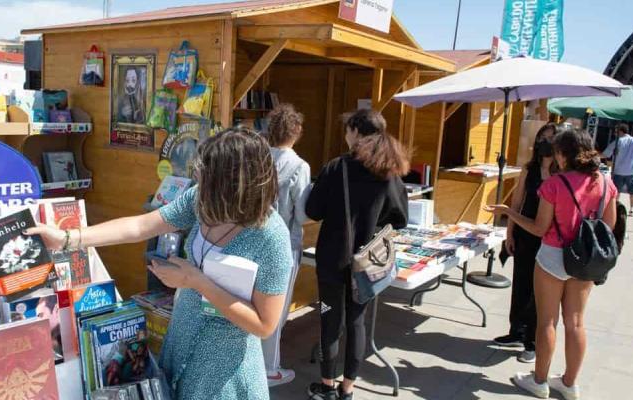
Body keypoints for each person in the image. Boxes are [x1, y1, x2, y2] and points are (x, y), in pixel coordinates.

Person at [27, 127, 293, 400]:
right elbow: (140, 226)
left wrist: (195, 282)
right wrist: (68, 238)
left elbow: (264, 324)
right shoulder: (201, 199)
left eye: (207, 179)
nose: (198, 183)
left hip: (223, 372)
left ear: (236, 185)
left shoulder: (271, 237)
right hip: (180, 342)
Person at [484, 128, 617, 400]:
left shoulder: (554, 184)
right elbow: (609, 226)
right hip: (586, 260)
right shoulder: (605, 183)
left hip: (553, 256)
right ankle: (569, 383)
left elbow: (539, 228)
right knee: (577, 323)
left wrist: (509, 213)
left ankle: (540, 380)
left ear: (561, 153)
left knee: (547, 322)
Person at [305, 109, 409, 400]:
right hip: (369, 263)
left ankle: (326, 386)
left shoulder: (337, 167)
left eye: (348, 129)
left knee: (330, 320)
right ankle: (347, 390)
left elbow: (313, 210)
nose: (346, 135)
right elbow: (400, 219)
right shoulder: (389, 171)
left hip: (332, 259)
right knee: (356, 322)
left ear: (356, 132)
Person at [494, 123, 558, 364]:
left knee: (538, 292)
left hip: (547, 237)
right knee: (520, 284)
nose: (545, 142)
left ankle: (532, 342)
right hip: (524, 232)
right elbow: (517, 201)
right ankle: (517, 332)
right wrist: (509, 234)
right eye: (543, 137)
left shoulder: (560, 173)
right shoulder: (529, 169)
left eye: (551, 138)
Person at [261, 104, 312, 387]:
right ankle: (269, 369)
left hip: (254, 241)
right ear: (297, 132)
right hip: (284, 244)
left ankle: (252, 362)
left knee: (253, 305)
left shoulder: (257, 159)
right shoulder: (299, 166)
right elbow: (303, 215)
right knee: (276, 311)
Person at [602, 123, 633, 216]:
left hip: (619, 171)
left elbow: (606, 154)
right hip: (632, 171)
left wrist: (594, 156)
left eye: (616, 131)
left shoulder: (617, 141)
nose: (615, 133)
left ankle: (615, 209)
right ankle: (632, 209)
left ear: (620, 131)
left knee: (616, 191)